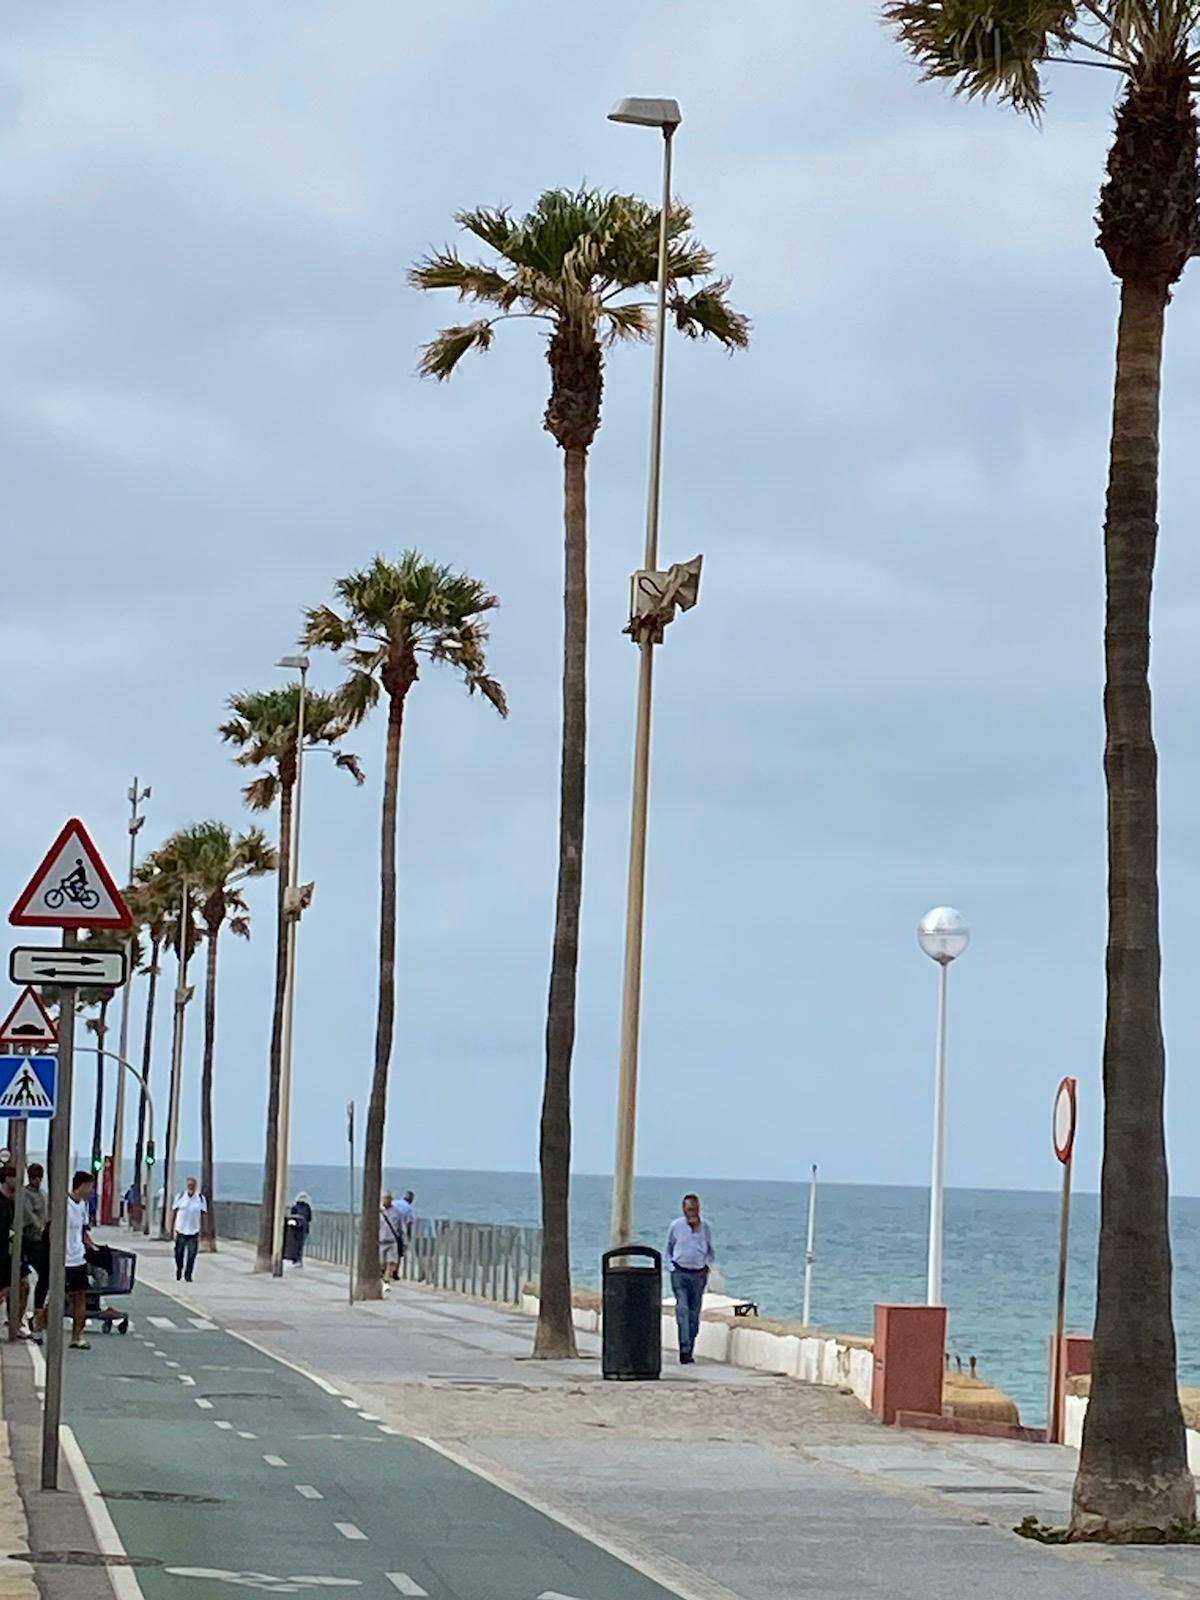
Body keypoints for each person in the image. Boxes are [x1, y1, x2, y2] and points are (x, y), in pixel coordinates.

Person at [665, 1192, 715, 1365]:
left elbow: (710, 1250)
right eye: (688, 1209)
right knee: (683, 1310)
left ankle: (690, 1346)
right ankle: (684, 1348)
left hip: (698, 1274)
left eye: (694, 1208)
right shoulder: (676, 1226)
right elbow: (668, 1249)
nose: (691, 1212)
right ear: (683, 1209)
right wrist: (670, 1267)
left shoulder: (706, 1228)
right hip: (679, 1273)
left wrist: (707, 1266)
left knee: (694, 1313)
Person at [66, 1170, 96, 1350]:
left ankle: (77, 1335)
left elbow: (83, 1232)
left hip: (78, 1257)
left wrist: (93, 1247)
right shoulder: (64, 1204)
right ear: (81, 1185)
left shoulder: (82, 1205)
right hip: (64, 1259)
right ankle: (39, 1323)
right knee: (60, 1298)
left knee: (80, 1297)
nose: (91, 1191)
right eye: (90, 1186)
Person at [0, 1166, 30, 1338]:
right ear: (7, 1179)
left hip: (12, 1251)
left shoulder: (13, 1202)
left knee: (23, 1285)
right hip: (2, 1252)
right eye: (14, 1178)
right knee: (7, 1289)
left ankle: (16, 1322)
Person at [23, 1163, 50, 1336]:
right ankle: (37, 1310)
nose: (37, 1181)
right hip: (30, 1240)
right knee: (39, 1274)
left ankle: (39, 1310)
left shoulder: (43, 1194)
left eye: (39, 1177)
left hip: (43, 1240)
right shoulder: (25, 1195)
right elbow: (30, 1217)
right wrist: (38, 1224)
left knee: (45, 1275)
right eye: (34, 1177)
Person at [171, 1176, 207, 1282]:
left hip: (193, 1231)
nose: (191, 1187)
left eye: (193, 1185)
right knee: (178, 1254)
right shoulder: (180, 1196)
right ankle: (179, 1269)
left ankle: (188, 1274)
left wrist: (204, 1232)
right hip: (181, 1230)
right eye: (189, 1185)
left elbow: (204, 1215)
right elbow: (174, 1212)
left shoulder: (200, 1198)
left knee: (192, 1255)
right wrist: (172, 1228)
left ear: (196, 1186)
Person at [379, 1191, 406, 1283]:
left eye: (388, 1198)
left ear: (391, 1199)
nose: (386, 1200)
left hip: (392, 1241)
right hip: (381, 1241)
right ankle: (383, 1273)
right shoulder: (378, 1212)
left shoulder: (397, 1212)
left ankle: (387, 1279)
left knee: (391, 1261)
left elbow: (401, 1228)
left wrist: (404, 1241)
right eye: (385, 1198)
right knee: (381, 1262)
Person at [287, 1192, 313, 1268]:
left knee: (294, 1244)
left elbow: (292, 1216)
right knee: (301, 1245)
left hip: (295, 1228)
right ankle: (299, 1260)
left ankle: (294, 1260)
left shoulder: (295, 1207)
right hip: (304, 1228)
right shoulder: (307, 1207)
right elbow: (309, 1218)